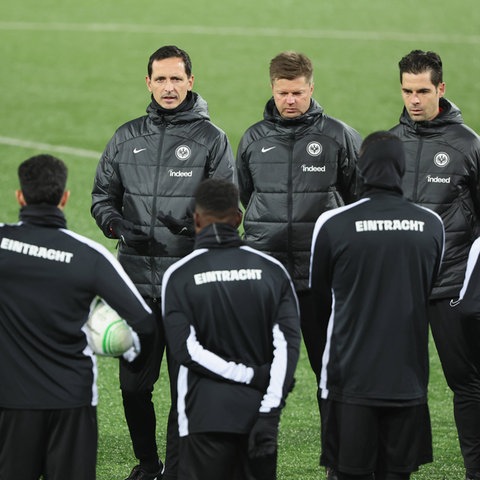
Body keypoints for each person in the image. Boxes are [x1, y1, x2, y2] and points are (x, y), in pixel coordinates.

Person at [91, 45, 235, 480]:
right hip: (135, 285)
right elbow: (102, 198)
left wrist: (193, 228)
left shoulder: (213, 140)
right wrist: (116, 225)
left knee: (184, 389)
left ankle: (174, 469)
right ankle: (148, 463)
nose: (169, 88)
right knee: (133, 388)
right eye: (161, 79)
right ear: (148, 83)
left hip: (188, 288)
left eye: (177, 79)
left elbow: (227, 211)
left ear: (191, 81)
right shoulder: (125, 137)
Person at [0, 154, 155, 480]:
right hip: (71, 401)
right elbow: (143, 321)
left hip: (11, 400)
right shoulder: (89, 256)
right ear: (65, 197)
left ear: (20, 196)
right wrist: (118, 343)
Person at [309, 131, 445, 480]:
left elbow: (319, 298)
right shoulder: (432, 225)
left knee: (349, 473)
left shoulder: (333, 224)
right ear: (402, 168)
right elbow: (425, 288)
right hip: (407, 379)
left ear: (362, 168)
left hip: (349, 378)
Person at [161, 178, 301, 480]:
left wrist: (245, 374)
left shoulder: (179, 275)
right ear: (238, 218)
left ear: (196, 219)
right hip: (258, 419)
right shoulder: (273, 271)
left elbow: (186, 350)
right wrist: (270, 412)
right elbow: (287, 348)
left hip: (202, 419)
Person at [236, 50, 361, 383]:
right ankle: (257, 437)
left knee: (330, 371)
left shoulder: (339, 136)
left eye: (298, 93)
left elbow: (356, 198)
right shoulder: (253, 139)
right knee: (258, 370)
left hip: (320, 277)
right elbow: (246, 196)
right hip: (267, 276)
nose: (290, 100)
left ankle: (337, 437)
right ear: (272, 88)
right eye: (282, 93)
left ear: (311, 87)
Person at [389, 49, 480, 480]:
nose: (414, 99)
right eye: (407, 90)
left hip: (450, 287)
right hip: (401, 290)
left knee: (466, 384)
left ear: (440, 89)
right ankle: (396, 469)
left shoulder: (468, 144)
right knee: (399, 388)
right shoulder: (391, 143)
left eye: (422, 90)